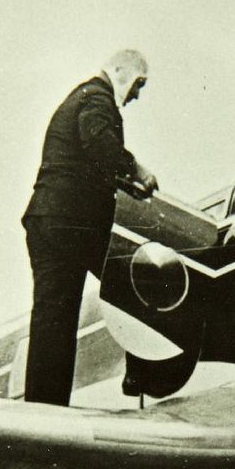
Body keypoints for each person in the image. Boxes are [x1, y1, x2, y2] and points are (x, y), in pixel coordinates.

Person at [20, 48, 159, 405]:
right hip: (74, 223)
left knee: (53, 321)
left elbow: (91, 159)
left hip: (46, 221)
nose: (138, 94)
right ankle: (143, 373)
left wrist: (125, 182)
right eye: (139, 84)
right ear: (120, 71)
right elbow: (100, 145)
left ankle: (44, 410)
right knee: (135, 283)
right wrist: (137, 170)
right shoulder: (97, 99)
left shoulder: (79, 97)